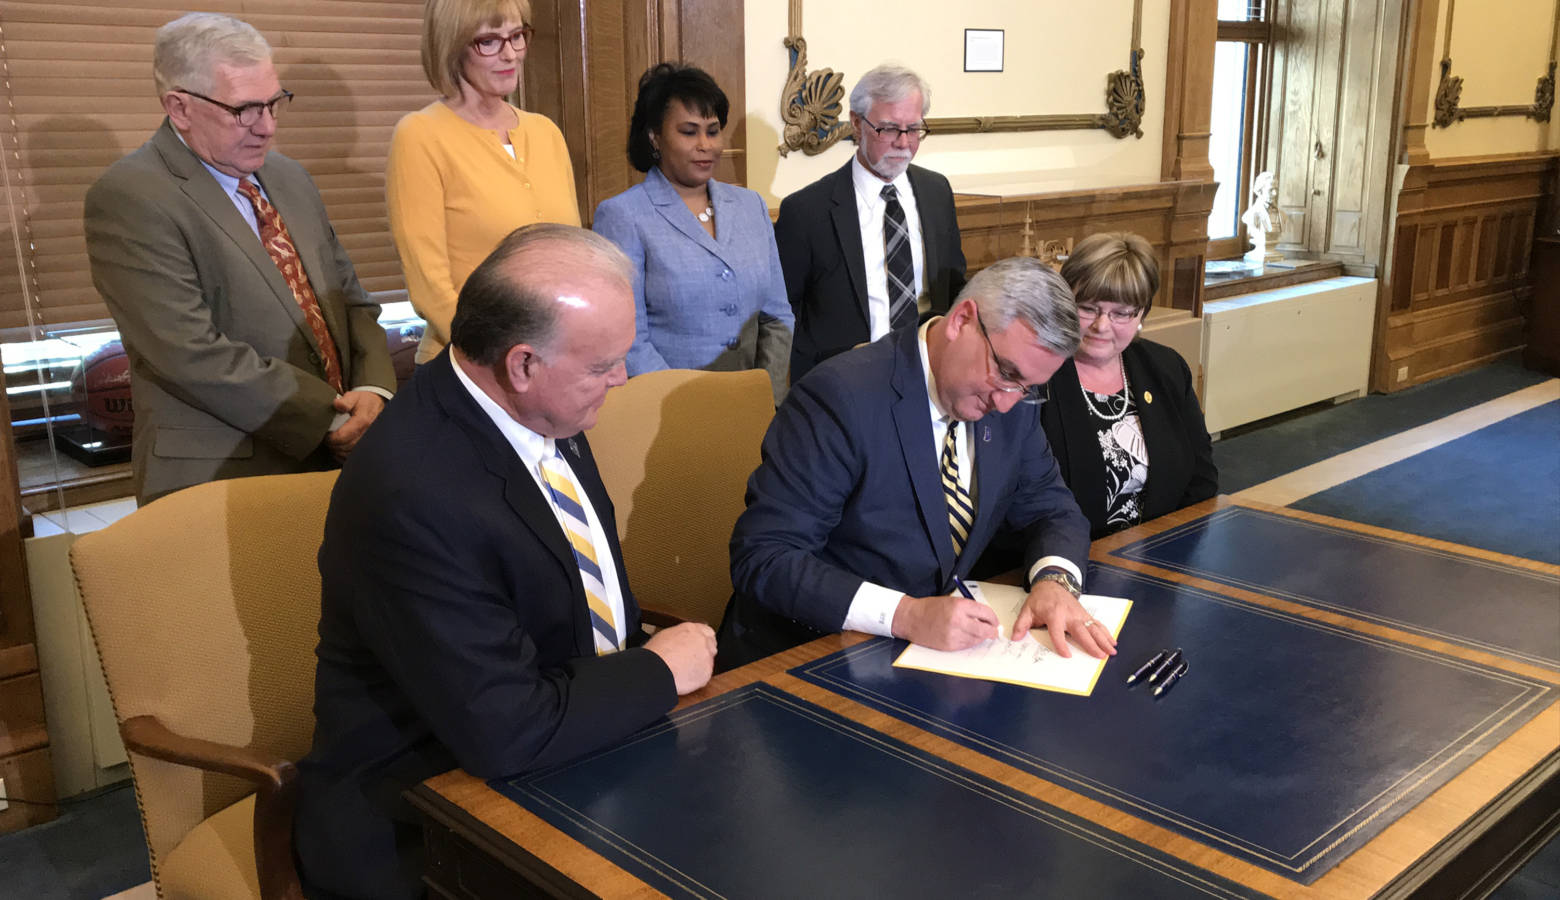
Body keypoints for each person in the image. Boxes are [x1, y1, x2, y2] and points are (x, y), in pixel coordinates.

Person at [295, 223, 717, 900]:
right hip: (425, 812)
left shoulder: (539, 409)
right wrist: (659, 670)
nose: (623, 377)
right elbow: (506, 731)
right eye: (604, 365)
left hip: (574, 744)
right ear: (522, 363)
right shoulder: (413, 490)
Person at [720, 257, 1114, 669]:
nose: (1006, 402)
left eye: (1028, 388)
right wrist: (906, 614)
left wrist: (1055, 582)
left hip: (921, 661)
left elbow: (1054, 511)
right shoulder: (840, 398)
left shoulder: (1013, 406)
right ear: (963, 319)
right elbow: (765, 557)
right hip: (802, 657)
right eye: (1005, 373)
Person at [83, 13, 394, 504]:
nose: (267, 127)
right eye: (245, 110)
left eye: (274, 102)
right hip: (222, 478)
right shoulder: (130, 196)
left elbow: (351, 302)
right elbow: (189, 353)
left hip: (340, 461)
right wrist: (334, 416)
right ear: (179, 108)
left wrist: (375, 393)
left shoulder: (289, 177)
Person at [387, 0, 580, 364]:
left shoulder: (546, 132)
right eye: (489, 41)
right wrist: (505, 358)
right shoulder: (420, 136)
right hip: (468, 365)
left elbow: (570, 258)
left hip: (550, 365)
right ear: (452, 45)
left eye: (517, 36)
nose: (510, 54)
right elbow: (431, 289)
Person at [592, 64, 794, 403]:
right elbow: (629, 339)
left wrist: (765, 397)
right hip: (667, 415)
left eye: (713, 131)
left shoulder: (750, 205)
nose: (705, 145)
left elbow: (777, 315)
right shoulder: (623, 215)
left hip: (755, 407)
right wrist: (688, 409)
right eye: (689, 132)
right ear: (655, 137)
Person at [775, 64, 967, 383]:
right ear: (856, 123)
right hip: (845, 382)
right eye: (889, 129)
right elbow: (782, 316)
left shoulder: (937, 192)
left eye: (914, 129)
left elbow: (953, 284)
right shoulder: (807, 211)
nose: (904, 143)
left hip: (929, 375)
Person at [1041, 232, 1217, 538]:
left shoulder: (1166, 368)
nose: (1102, 325)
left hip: (1161, 553)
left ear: (1142, 315)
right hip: (1066, 560)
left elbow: (1201, 481)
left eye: (1121, 313)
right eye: (1088, 307)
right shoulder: (1039, 374)